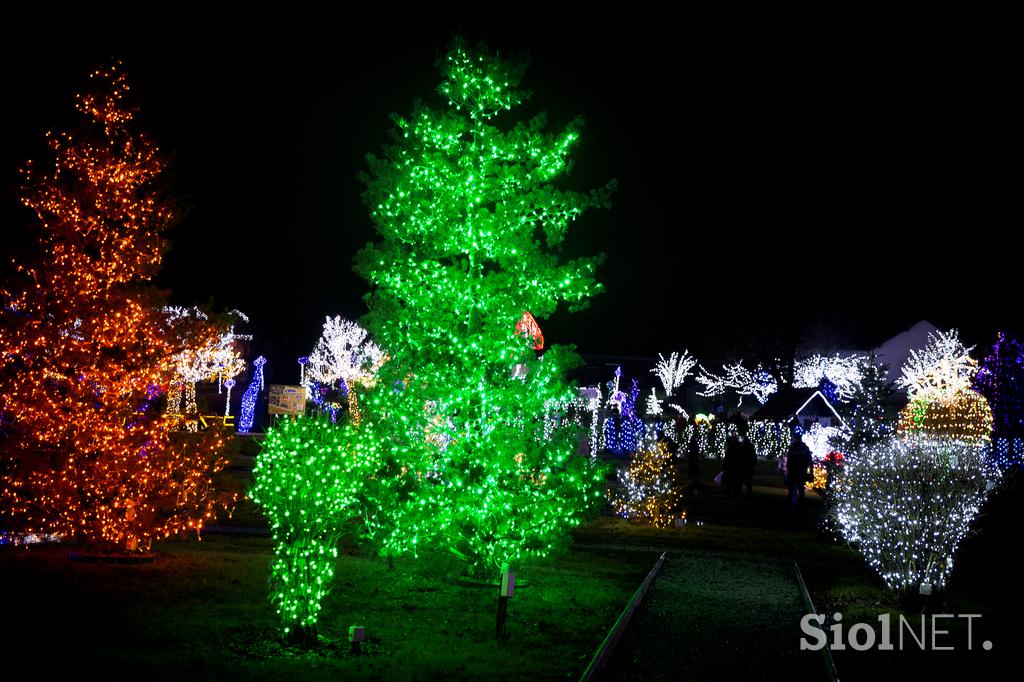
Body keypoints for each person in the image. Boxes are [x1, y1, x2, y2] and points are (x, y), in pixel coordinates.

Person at [785, 424, 813, 508]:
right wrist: (811, 471)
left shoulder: (792, 447)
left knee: (792, 488)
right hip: (801, 471)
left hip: (794, 471)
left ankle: (792, 503)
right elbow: (809, 460)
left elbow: (789, 460)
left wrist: (788, 468)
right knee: (800, 488)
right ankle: (800, 503)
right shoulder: (805, 448)